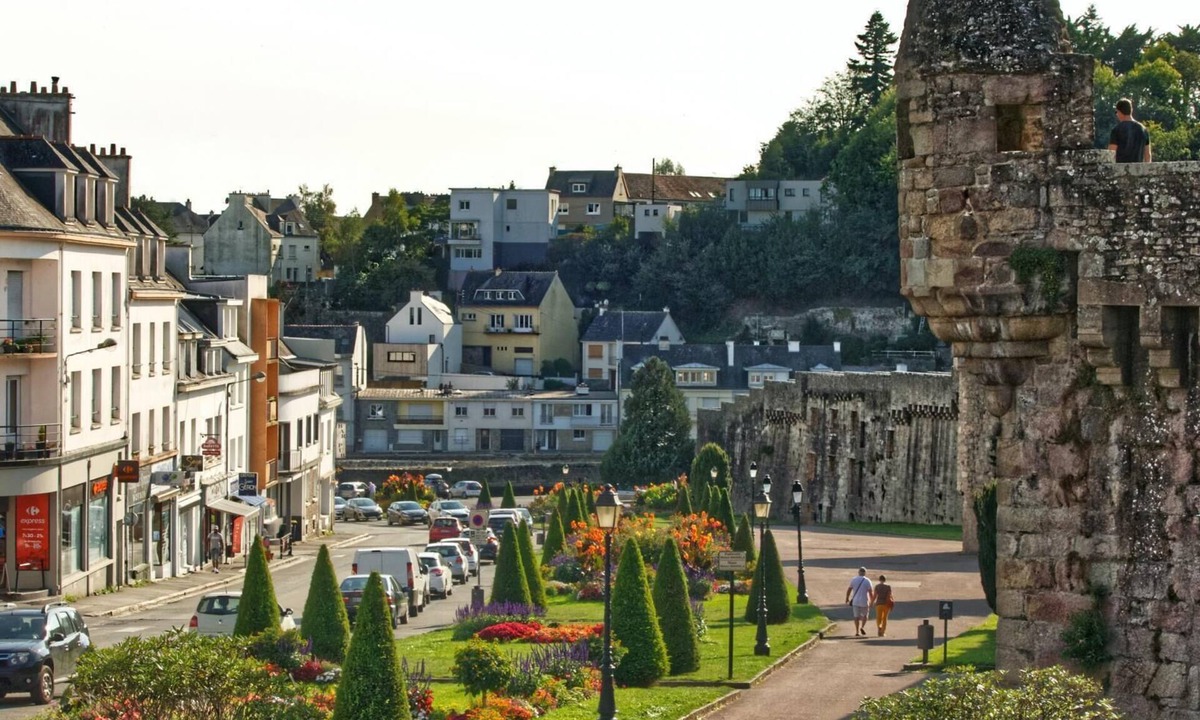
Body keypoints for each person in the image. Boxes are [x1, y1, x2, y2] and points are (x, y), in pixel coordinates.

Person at [1108, 98, 1151, 164]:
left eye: (1116, 112)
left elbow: (1111, 154)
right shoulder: (1143, 129)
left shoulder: (1116, 130)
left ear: (1119, 112)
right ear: (1131, 110)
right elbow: (1148, 155)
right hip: (1138, 171)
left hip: (1120, 171)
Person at [845, 566, 874, 637]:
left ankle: (857, 631)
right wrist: (872, 601)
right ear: (865, 573)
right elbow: (870, 592)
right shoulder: (867, 581)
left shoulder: (854, 579)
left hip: (855, 601)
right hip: (864, 601)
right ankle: (862, 627)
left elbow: (849, 589)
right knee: (865, 615)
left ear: (858, 572)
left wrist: (847, 598)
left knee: (856, 617)